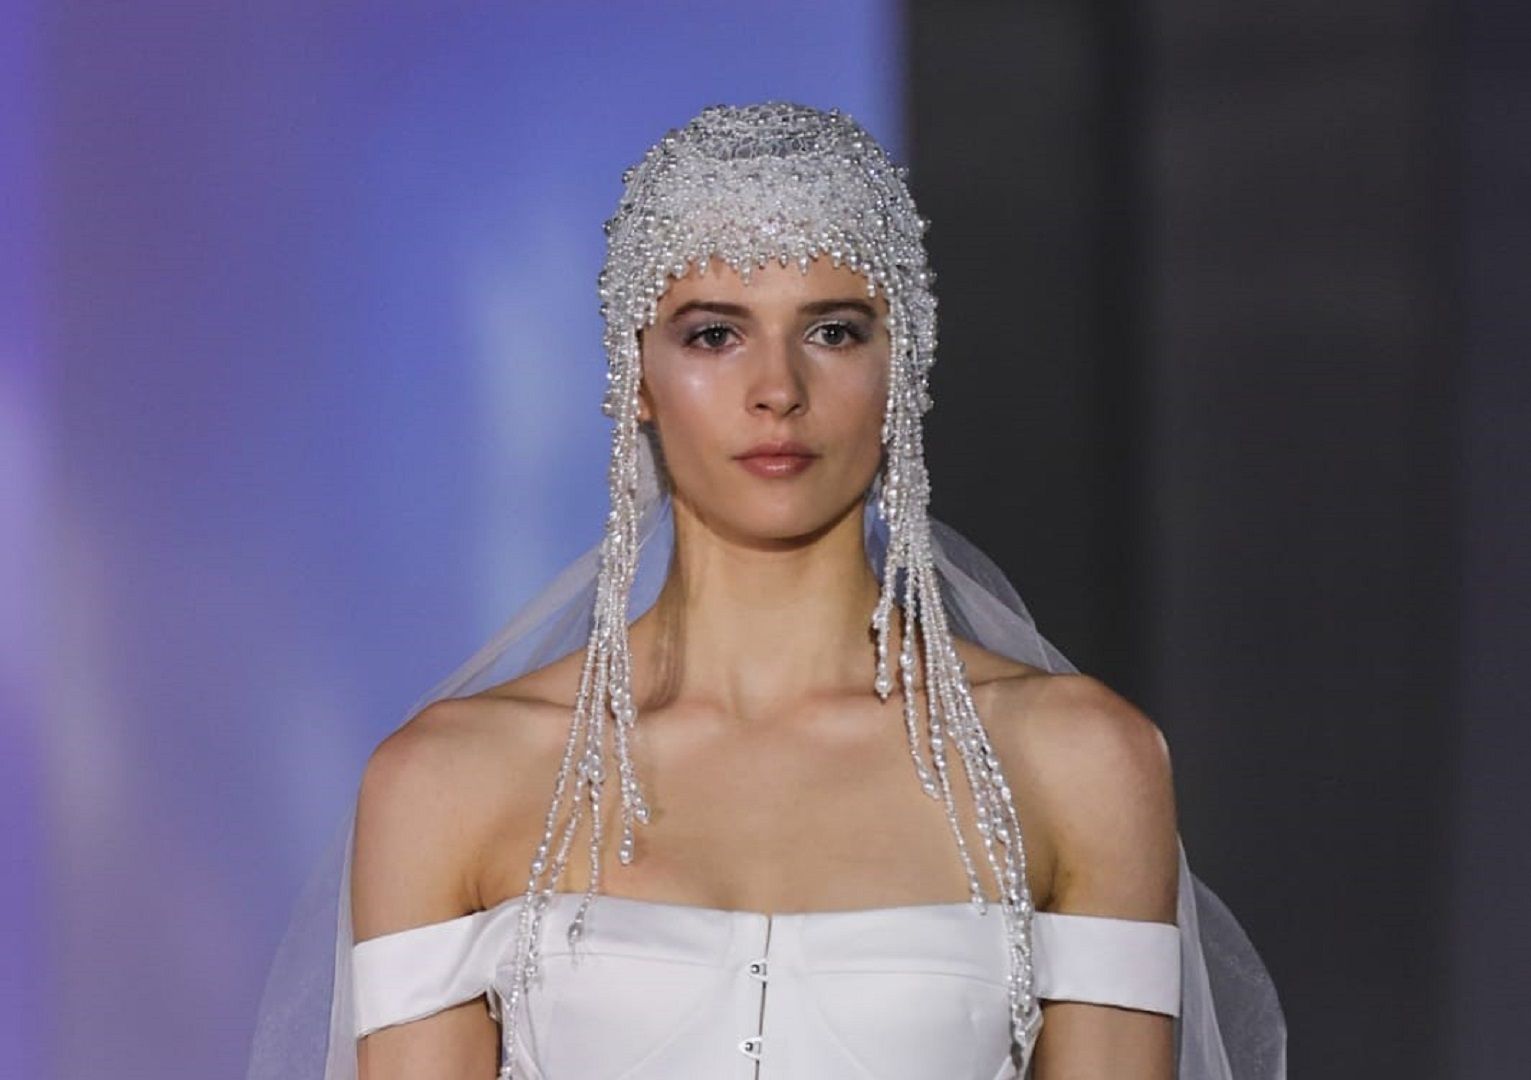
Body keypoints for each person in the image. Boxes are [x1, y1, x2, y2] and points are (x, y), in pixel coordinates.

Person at [247, 102, 1285, 1079]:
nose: (777, 390)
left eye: (832, 331)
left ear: (903, 367)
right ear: (635, 375)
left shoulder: (1075, 762)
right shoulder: (449, 781)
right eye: (714, 333)